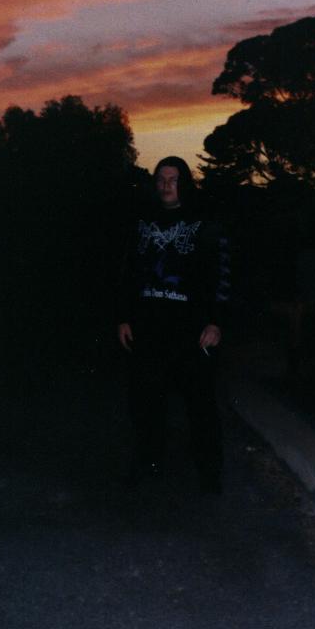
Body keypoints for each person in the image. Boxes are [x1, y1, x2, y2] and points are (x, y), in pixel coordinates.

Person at [116, 156, 230, 494]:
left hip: (191, 332)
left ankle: (209, 475)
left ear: (185, 183)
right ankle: (148, 464)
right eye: (161, 179)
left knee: (201, 407)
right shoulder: (141, 222)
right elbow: (127, 272)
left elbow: (222, 276)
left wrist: (216, 322)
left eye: (173, 179)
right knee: (146, 404)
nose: (166, 185)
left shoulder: (205, 223)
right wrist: (124, 316)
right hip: (149, 330)